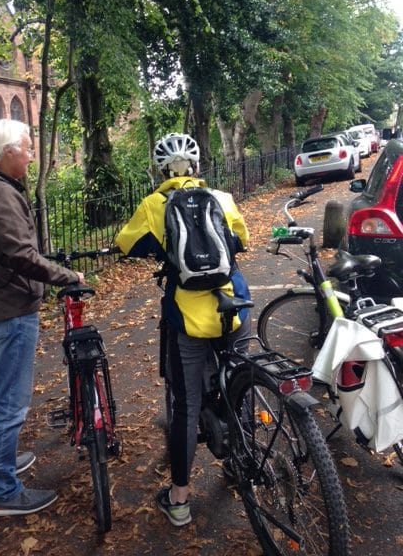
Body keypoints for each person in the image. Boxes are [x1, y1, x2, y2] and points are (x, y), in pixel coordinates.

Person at [116, 133, 251, 527]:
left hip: (188, 317)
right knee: (239, 387)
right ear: (195, 167)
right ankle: (242, 463)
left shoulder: (153, 205)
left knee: (186, 405)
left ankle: (179, 499)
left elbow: (128, 246)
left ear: (162, 170)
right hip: (233, 308)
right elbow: (241, 238)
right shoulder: (221, 199)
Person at [0, 118, 85, 517]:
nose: (32, 155)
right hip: (10, 309)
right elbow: (21, 255)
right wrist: (68, 276)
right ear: (6, 152)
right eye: (28, 148)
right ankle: (4, 491)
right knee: (9, 403)